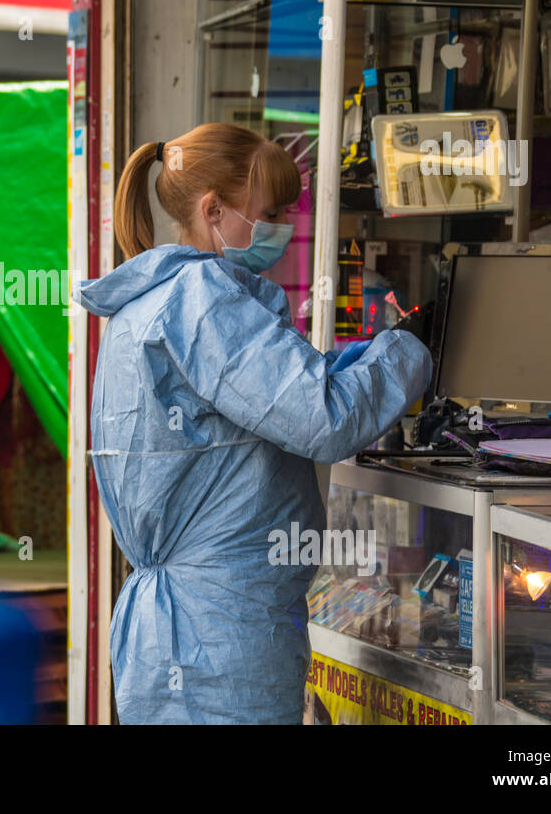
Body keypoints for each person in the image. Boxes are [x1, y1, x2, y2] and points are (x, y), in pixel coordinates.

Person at [73, 123, 433, 724]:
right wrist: (410, 351)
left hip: (171, 637)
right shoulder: (202, 299)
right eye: (269, 212)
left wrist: (353, 361)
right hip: (221, 640)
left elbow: (272, 395)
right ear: (214, 211)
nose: (283, 227)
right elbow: (325, 418)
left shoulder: (143, 303)